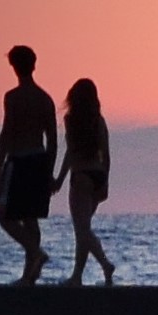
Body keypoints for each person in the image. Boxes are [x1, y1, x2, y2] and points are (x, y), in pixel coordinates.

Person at [0, 45, 57, 285]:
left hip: (20, 160)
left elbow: (6, 133)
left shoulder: (13, 97)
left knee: (5, 215)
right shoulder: (44, 99)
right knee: (30, 218)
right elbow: (51, 140)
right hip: (38, 160)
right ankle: (30, 273)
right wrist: (49, 172)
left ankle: (35, 254)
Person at [51, 78, 115, 286]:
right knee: (83, 229)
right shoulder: (99, 120)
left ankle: (104, 264)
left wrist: (60, 179)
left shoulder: (71, 120)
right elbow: (106, 154)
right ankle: (78, 275)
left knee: (82, 230)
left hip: (80, 177)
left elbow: (70, 152)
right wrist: (105, 183)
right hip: (97, 175)